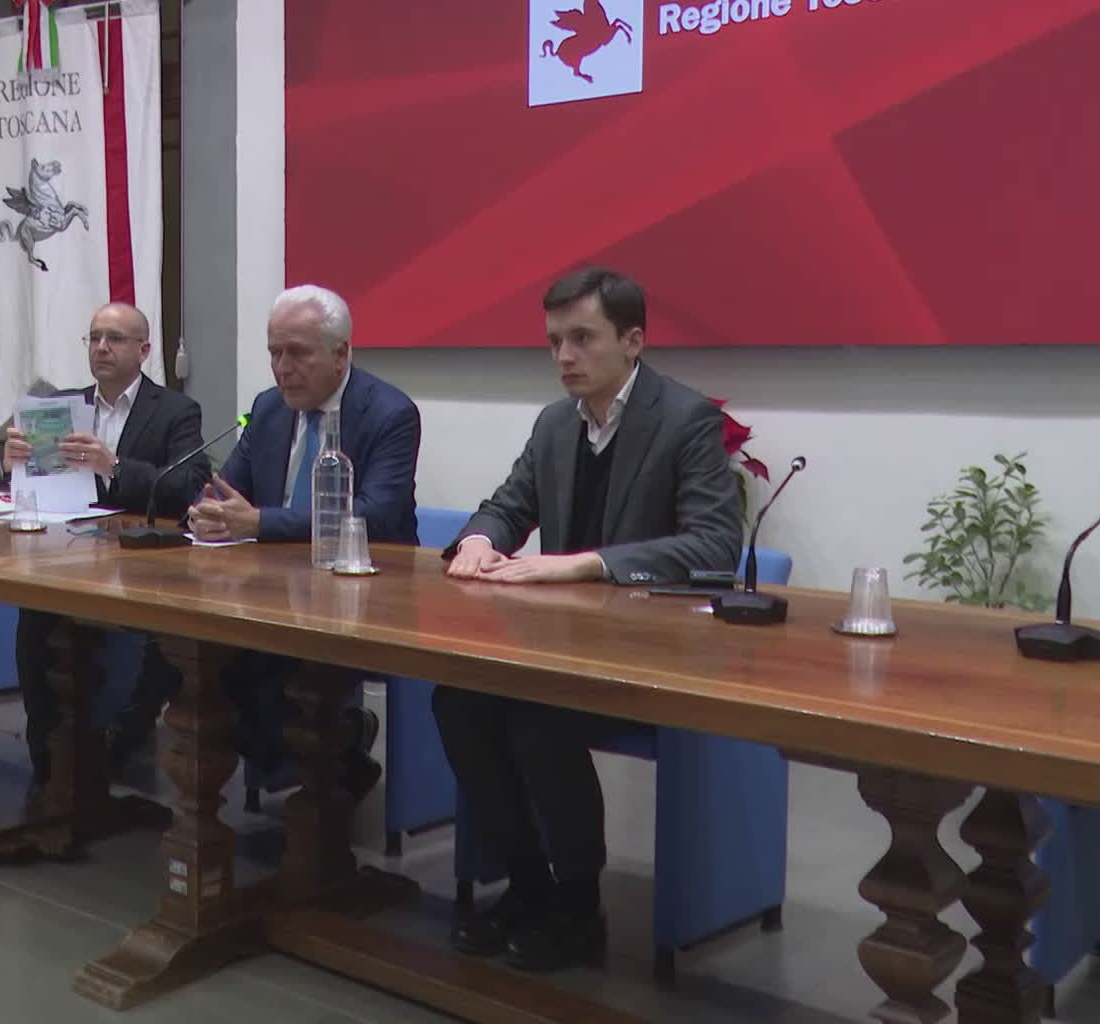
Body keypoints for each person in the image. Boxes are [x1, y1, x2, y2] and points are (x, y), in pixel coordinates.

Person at [434, 267, 741, 971]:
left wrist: (585, 564)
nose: (564, 357)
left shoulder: (685, 420)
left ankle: (578, 905)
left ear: (633, 341)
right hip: (563, 645)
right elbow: (507, 505)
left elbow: (715, 546)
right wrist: (480, 539)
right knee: (459, 703)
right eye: (554, 342)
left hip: (653, 647)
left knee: (538, 717)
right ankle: (528, 884)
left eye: (581, 338)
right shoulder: (555, 423)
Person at [187, 284, 421, 801]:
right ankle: (332, 755)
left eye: (297, 353)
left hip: (365, 593)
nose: (282, 368)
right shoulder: (268, 408)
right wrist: (209, 510)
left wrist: (259, 522)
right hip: (272, 588)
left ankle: (329, 757)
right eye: (274, 352)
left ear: (341, 353)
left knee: (265, 670)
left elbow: (374, 514)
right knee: (199, 660)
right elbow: (228, 489)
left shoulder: (389, 413)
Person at [0, 303, 209, 790]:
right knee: (36, 618)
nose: (102, 347)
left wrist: (114, 466)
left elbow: (187, 485)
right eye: (95, 337)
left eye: (115, 339)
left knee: (156, 645)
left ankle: (115, 748)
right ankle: (47, 755)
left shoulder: (174, 411)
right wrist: (5, 459)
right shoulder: (61, 406)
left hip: (139, 562)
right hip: (63, 553)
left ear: (144, 350)